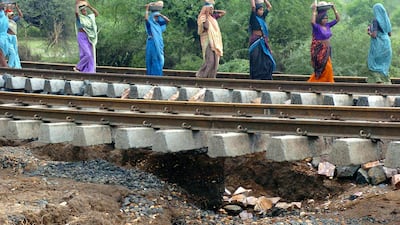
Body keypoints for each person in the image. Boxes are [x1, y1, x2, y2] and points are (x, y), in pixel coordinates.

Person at [308, 1, 340, 83]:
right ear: (320, 19)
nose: (325, 20)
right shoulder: (317, 27)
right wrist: (314, 11)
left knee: (328, 67)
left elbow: (337, 19)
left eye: (326, 18)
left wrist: (334, 8)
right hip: (320, 50)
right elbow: (312, 22)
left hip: (327, 49)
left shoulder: (328, 25)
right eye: (324, 18)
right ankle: (319, 82)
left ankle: (324, 82)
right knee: (324, 67)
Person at [195, 0, 225, 78]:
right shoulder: (203, 18)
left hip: (214, 41)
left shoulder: (213, 17)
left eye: (212, 9)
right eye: (210, 9)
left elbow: (223, 13)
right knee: (210, 61)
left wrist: (214, 10)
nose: (211, 10)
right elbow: (206, 27)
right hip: (207, 41)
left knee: (215, 61)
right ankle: (201, 76)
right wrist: (207, 14)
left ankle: (211, 77)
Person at [248, 0, 275, 80]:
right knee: (257, 61)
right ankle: (256, 78)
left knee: (267, 60)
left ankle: (265, 78)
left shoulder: (262, 17)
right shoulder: (253, 17)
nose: (262, 11)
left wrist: (264, 0)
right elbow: (253, 7)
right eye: (260, 10)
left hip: (263, 42)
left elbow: (269, 7)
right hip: (256, 42)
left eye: (262, 10)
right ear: (256, 10)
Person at [366, 3, 392, 84]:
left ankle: (377, 80)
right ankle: (387, 81)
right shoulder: (386, 20)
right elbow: (390, 34)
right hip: (387, 43)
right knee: (384, 62)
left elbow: (374, 35)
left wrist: (369, 32)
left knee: (373, 61)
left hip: (378, 43)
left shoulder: (375, 20)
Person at [145, 1, 170, 76]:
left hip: (158, 42)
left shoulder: (158, 24)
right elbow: (146, 19)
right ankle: (150, 75)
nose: (156, 18)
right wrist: (146, 9)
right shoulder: (150, 24)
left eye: (157, 17)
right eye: (155, 16)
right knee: (150, 59)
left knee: (158, 58)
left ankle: (157, 75)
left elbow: (167, 21)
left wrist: (161, 15)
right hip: (151, 42)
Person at [74, 0, 99, 73]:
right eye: (82, 10)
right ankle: (78, 67)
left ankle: (90, 72)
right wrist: (77, 5)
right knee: (87, 54)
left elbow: (96, 13)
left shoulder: (89, 18)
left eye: (85, 9)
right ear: (81, 11)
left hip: (89, 37)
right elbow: (76, 13)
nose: (84, 11)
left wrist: (89, 6)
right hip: (82, 36)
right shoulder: (80, 18)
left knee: (90, 55)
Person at [6, 3, 23, 68]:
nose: (12, 16)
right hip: (8, 37)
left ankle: (16, 66)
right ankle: (10, 66)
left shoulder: (13, 20)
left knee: (15, 52)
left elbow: (20, 15)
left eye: (12, 15)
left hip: (14, 37)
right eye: (11, 15)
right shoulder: (5, 21)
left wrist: (17, 7)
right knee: (12, 52)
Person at [0, 3, 10, 67]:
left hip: (1, 39)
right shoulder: (5, 18)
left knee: (2, 59)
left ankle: (8, 72)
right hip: (5, 39)